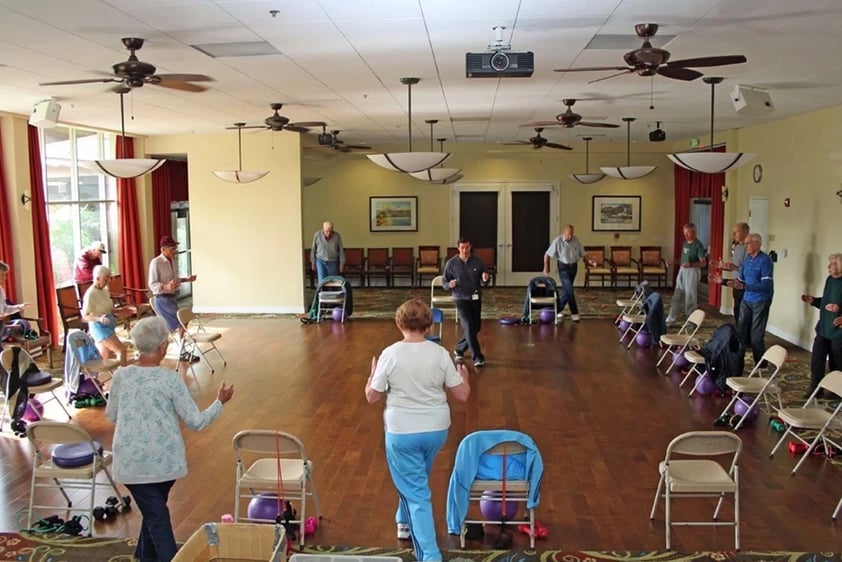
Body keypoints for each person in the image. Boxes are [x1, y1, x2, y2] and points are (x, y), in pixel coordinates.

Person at [106, 316, 234, 562]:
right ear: (162, 346)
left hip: (130, 463)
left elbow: (112, 415)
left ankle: (144, 557)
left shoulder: (121, 377)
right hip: (165, 465)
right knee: (158, 517)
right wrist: (220, 402)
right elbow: (196, 422)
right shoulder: (170, 379)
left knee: (154, 514)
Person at [365, 299, 470, 561]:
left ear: (399, 323)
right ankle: (403, 520)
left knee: (417, 494)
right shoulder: (440, 353)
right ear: (428, 323)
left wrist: (371, 378)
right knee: (415, 478)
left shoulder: (390, 353)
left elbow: (372, 397)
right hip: (435, 431)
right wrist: (465, 379)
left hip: (402, 433)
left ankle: (430, 556)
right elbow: (462, 395)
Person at [714, 233, 773, 371]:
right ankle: (736, 362)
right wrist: (722, 281)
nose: (745, 246)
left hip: (761, 300)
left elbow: (766, 285)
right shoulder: (747, 260)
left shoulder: (765, 261)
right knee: (740, 331)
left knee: (756, 335)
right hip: (747, 299)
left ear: (757, 244)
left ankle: (761, 364)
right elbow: (739, 281)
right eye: (745, 243)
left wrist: (745, 286)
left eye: (748, 243)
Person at [148, 235, 197, 363]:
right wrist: (166, 286)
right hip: (162, 299)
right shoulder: (156, 262)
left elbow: (175, 279)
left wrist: (187, 279)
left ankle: (153, 351)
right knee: (182, 322)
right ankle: (182, 351)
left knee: (167, 329)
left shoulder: (173, 261)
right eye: (172, 248)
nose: (175, 250)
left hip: (171, 297)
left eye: (175, 247)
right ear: (163, 249)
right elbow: (152, 284)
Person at [443, 238, 490, 367]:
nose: (465, 250)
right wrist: (450, 284)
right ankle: (477, 357)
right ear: (458, 248)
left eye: (467, 247)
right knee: (468, 325)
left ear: (470, 247)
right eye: (462, 248)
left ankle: (459, 349)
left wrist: (485, 279)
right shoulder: (451, 263)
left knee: (475, 327)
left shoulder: (478, 261)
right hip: (460, 298)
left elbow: (484, 280)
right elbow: (444, 283)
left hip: (475, 297)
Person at [801, 253, 842, 398]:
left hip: (838, 332)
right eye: (829, 264)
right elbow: (826, 302)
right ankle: (816, 389)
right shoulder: (830, 280)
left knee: (837, 362)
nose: (829, 267)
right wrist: (813, 301)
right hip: (824, 328)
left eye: (833, 264)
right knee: (817, 359)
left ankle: (836, 391)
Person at [542, 224, 595, 322]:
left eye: (571, 235)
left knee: (567, 291)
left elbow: (583, 254)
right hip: (563, 268)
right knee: (570, 290)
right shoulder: (558, 241)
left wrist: (589, 261)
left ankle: (557, 310)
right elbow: (547, 254)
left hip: (573, 267)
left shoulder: (576, 240)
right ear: (564, 233)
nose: (570, 237)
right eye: (568, 235)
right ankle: (574, 313)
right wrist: (546, 268)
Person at [81, 265, 129, 366]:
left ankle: (94, 379)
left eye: (108, 279)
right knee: (121, 350)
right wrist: (99, 318)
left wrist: (122, 312)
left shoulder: (104, 291)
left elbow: (109, 309)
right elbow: (85, 317)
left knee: (104, 357)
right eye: (105, 279)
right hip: (99, 327)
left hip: (109, 324)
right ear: (97, 278)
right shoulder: (90, 294)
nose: (108, 282)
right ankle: (124, 378)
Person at [666, 223, 707, 324]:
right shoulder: (685, 244)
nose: (685, 235)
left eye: (687, 233)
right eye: (684, 233)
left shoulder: (698, 245)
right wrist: (673, 262)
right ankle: (671, 317)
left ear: (693, 232)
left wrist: (691, 265)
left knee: (690, 296)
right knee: (677, 293)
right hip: (682, 271)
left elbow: (703, 263)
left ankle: (691, 321)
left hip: (692, 272)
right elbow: (683, 260)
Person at [711, 222, 749, 324]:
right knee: (737, 312)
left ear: (744, 233)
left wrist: (735, 267)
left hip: (745, 286)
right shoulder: (737, 247)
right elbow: (734, 267)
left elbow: (749, 270)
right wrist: (722, 266)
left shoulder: (748, 249)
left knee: (744, 316)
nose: (734, 235)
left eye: (736, 232)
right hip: (735, 284)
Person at [0, 261, 31, 344]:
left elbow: (5, 308)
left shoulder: (1, 291)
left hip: (1, 326)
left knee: (23, 324)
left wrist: (20, 306)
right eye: (3, 275)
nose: (5, 278)